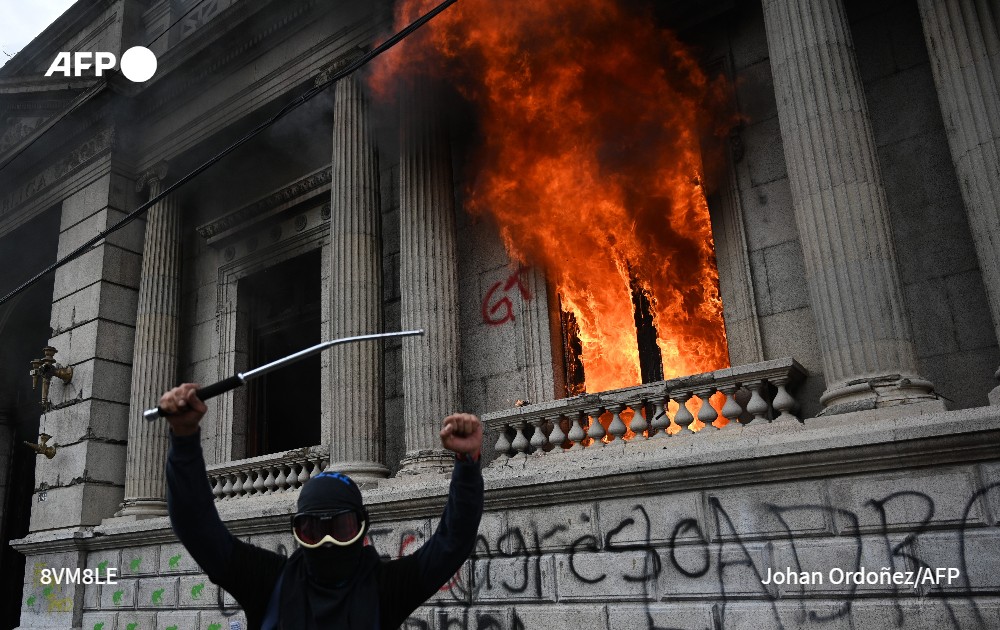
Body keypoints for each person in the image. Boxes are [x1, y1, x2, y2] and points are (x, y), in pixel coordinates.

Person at [161, 383, 484, 630]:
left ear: (361, 527)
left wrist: (467, 464)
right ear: (297, 531)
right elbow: (197, 529)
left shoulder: (385, 588)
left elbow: (451, 543)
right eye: (313, 530)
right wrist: (184, 436)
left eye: (340, 528)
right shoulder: (268, 581)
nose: (328, 543)